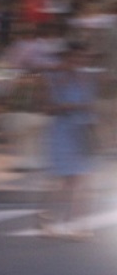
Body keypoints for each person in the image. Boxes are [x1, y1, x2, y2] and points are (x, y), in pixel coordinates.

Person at [39, 40, 99, 239]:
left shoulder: (85, 78)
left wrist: (93, 127)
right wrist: (66, 107)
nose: (81, 61)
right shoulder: (54, 78)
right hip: (62, 132)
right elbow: (47, 108)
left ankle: (76, 224)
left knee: (81, 180)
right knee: (64, 181)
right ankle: (48, 220)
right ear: (68, 57)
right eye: (77, 57)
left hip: (81, 133)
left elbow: (89, 105)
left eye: (83, 58)